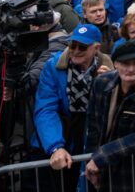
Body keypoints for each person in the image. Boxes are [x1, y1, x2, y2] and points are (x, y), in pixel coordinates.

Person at [33, 24, 112, 191]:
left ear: (96, 48)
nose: (75, 51)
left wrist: (107, 85)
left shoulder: (109, 69)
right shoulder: (53, 67)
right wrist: (55, 146)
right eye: (72, 45)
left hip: (93, 139)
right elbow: (45, 109)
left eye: (82, 47)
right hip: (65, 135)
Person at [84, 40, 135, 192]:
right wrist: (91, 162)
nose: (131, 69)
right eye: (125, 63)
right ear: (115, 64)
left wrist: (102, 156)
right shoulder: (101, 83)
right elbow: (93, 127)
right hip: (103, 171)